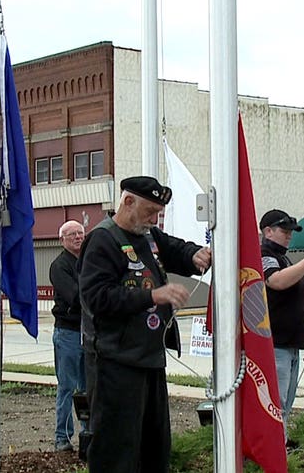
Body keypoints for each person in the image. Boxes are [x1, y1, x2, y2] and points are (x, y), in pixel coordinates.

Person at [78, 176, 212, 473]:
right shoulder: (103, 240)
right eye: (150, 211)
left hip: (149, 357)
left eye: (159, 213)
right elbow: (97, 298)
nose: (154, 219)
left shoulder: (148, 236)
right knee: (117, 447)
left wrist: (195, 255)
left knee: (154, 445)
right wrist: (152, 295)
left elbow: (175, 249)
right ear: (127, 202)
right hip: (115, 361)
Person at [260, 209, 304, 437]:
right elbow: (276, 281)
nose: (289, 235)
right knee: (276, 406)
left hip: (290, 344)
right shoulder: (264, 254)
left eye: (291, 231)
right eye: (284, 230)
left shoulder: (283, 257)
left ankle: (280, 449)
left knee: (285, 406)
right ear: (268, 231)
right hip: (276, 345)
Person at [49, 219, 87, 452]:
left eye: (80, 233)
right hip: (68, 333)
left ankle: (88, 433)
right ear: (62, 239)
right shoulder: (59, 265)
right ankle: (62, 437)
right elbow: (75, 296)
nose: (77, 237)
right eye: (72, 234)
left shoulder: (88, 262)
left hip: (90, 333)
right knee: (67, 386)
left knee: (87, 387)